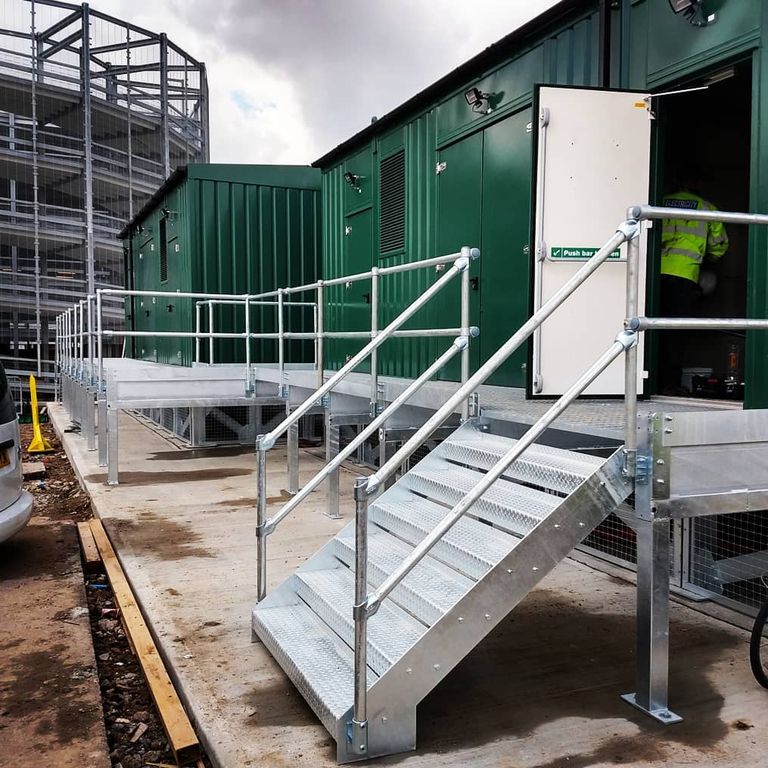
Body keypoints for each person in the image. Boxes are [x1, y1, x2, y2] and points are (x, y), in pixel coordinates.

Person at [659, 183, 729, 393]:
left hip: (654, 275)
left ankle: (649, 380)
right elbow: (719, 246)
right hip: (685, 275)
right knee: (675, 334)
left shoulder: (659, 202)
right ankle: (670, 384)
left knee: (650, 331)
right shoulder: (706, 208)